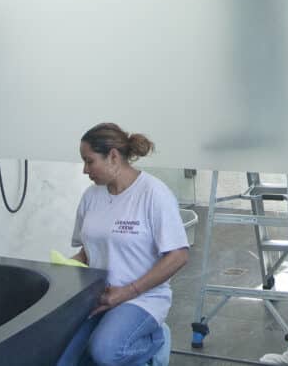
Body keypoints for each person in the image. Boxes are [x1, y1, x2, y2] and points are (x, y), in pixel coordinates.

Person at [57, 123, 189, 366]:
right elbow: (88, 251)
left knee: (105, 352)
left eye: (89, 161)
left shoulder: (153, 194)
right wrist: (60, 270)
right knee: (61, 358)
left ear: (113, 157)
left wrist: (128, 292)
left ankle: (156, 341)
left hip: (141, 299)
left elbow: (178, 255)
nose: (85, 170)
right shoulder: (91, 196)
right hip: (99, 297)